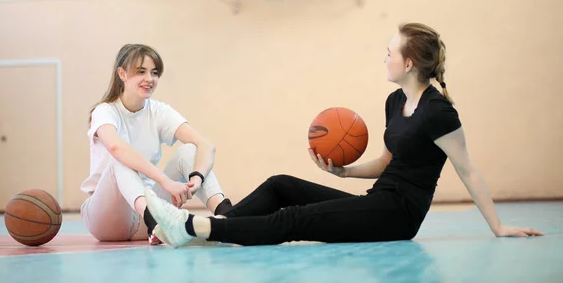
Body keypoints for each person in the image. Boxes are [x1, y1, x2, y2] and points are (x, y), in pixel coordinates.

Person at [144, 23, 543, 248]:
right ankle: (223, 226)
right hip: (377, 202)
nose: (383, 56)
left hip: (398, 218)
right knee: (281, 186)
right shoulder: (395, 101)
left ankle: (196, 228)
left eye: (389, 51)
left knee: (295, 220)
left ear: (407, 62)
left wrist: (498, 227)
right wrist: (344, 174)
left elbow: (468, 170)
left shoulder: (438, 112)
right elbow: (388, 163)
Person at [80, 44, 232, 244]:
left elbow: (205, 146)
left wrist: (197, 179)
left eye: (154, 72)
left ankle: (229, 218)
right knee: (119, 162)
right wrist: (166, 182)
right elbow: (117, 148)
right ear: (122, 74)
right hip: (107, 218)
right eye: (141, 72)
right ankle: (155, 221)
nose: (149, 79)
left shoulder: (159, 111)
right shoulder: (105, 111)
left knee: (189, 150)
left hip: (144, 211)